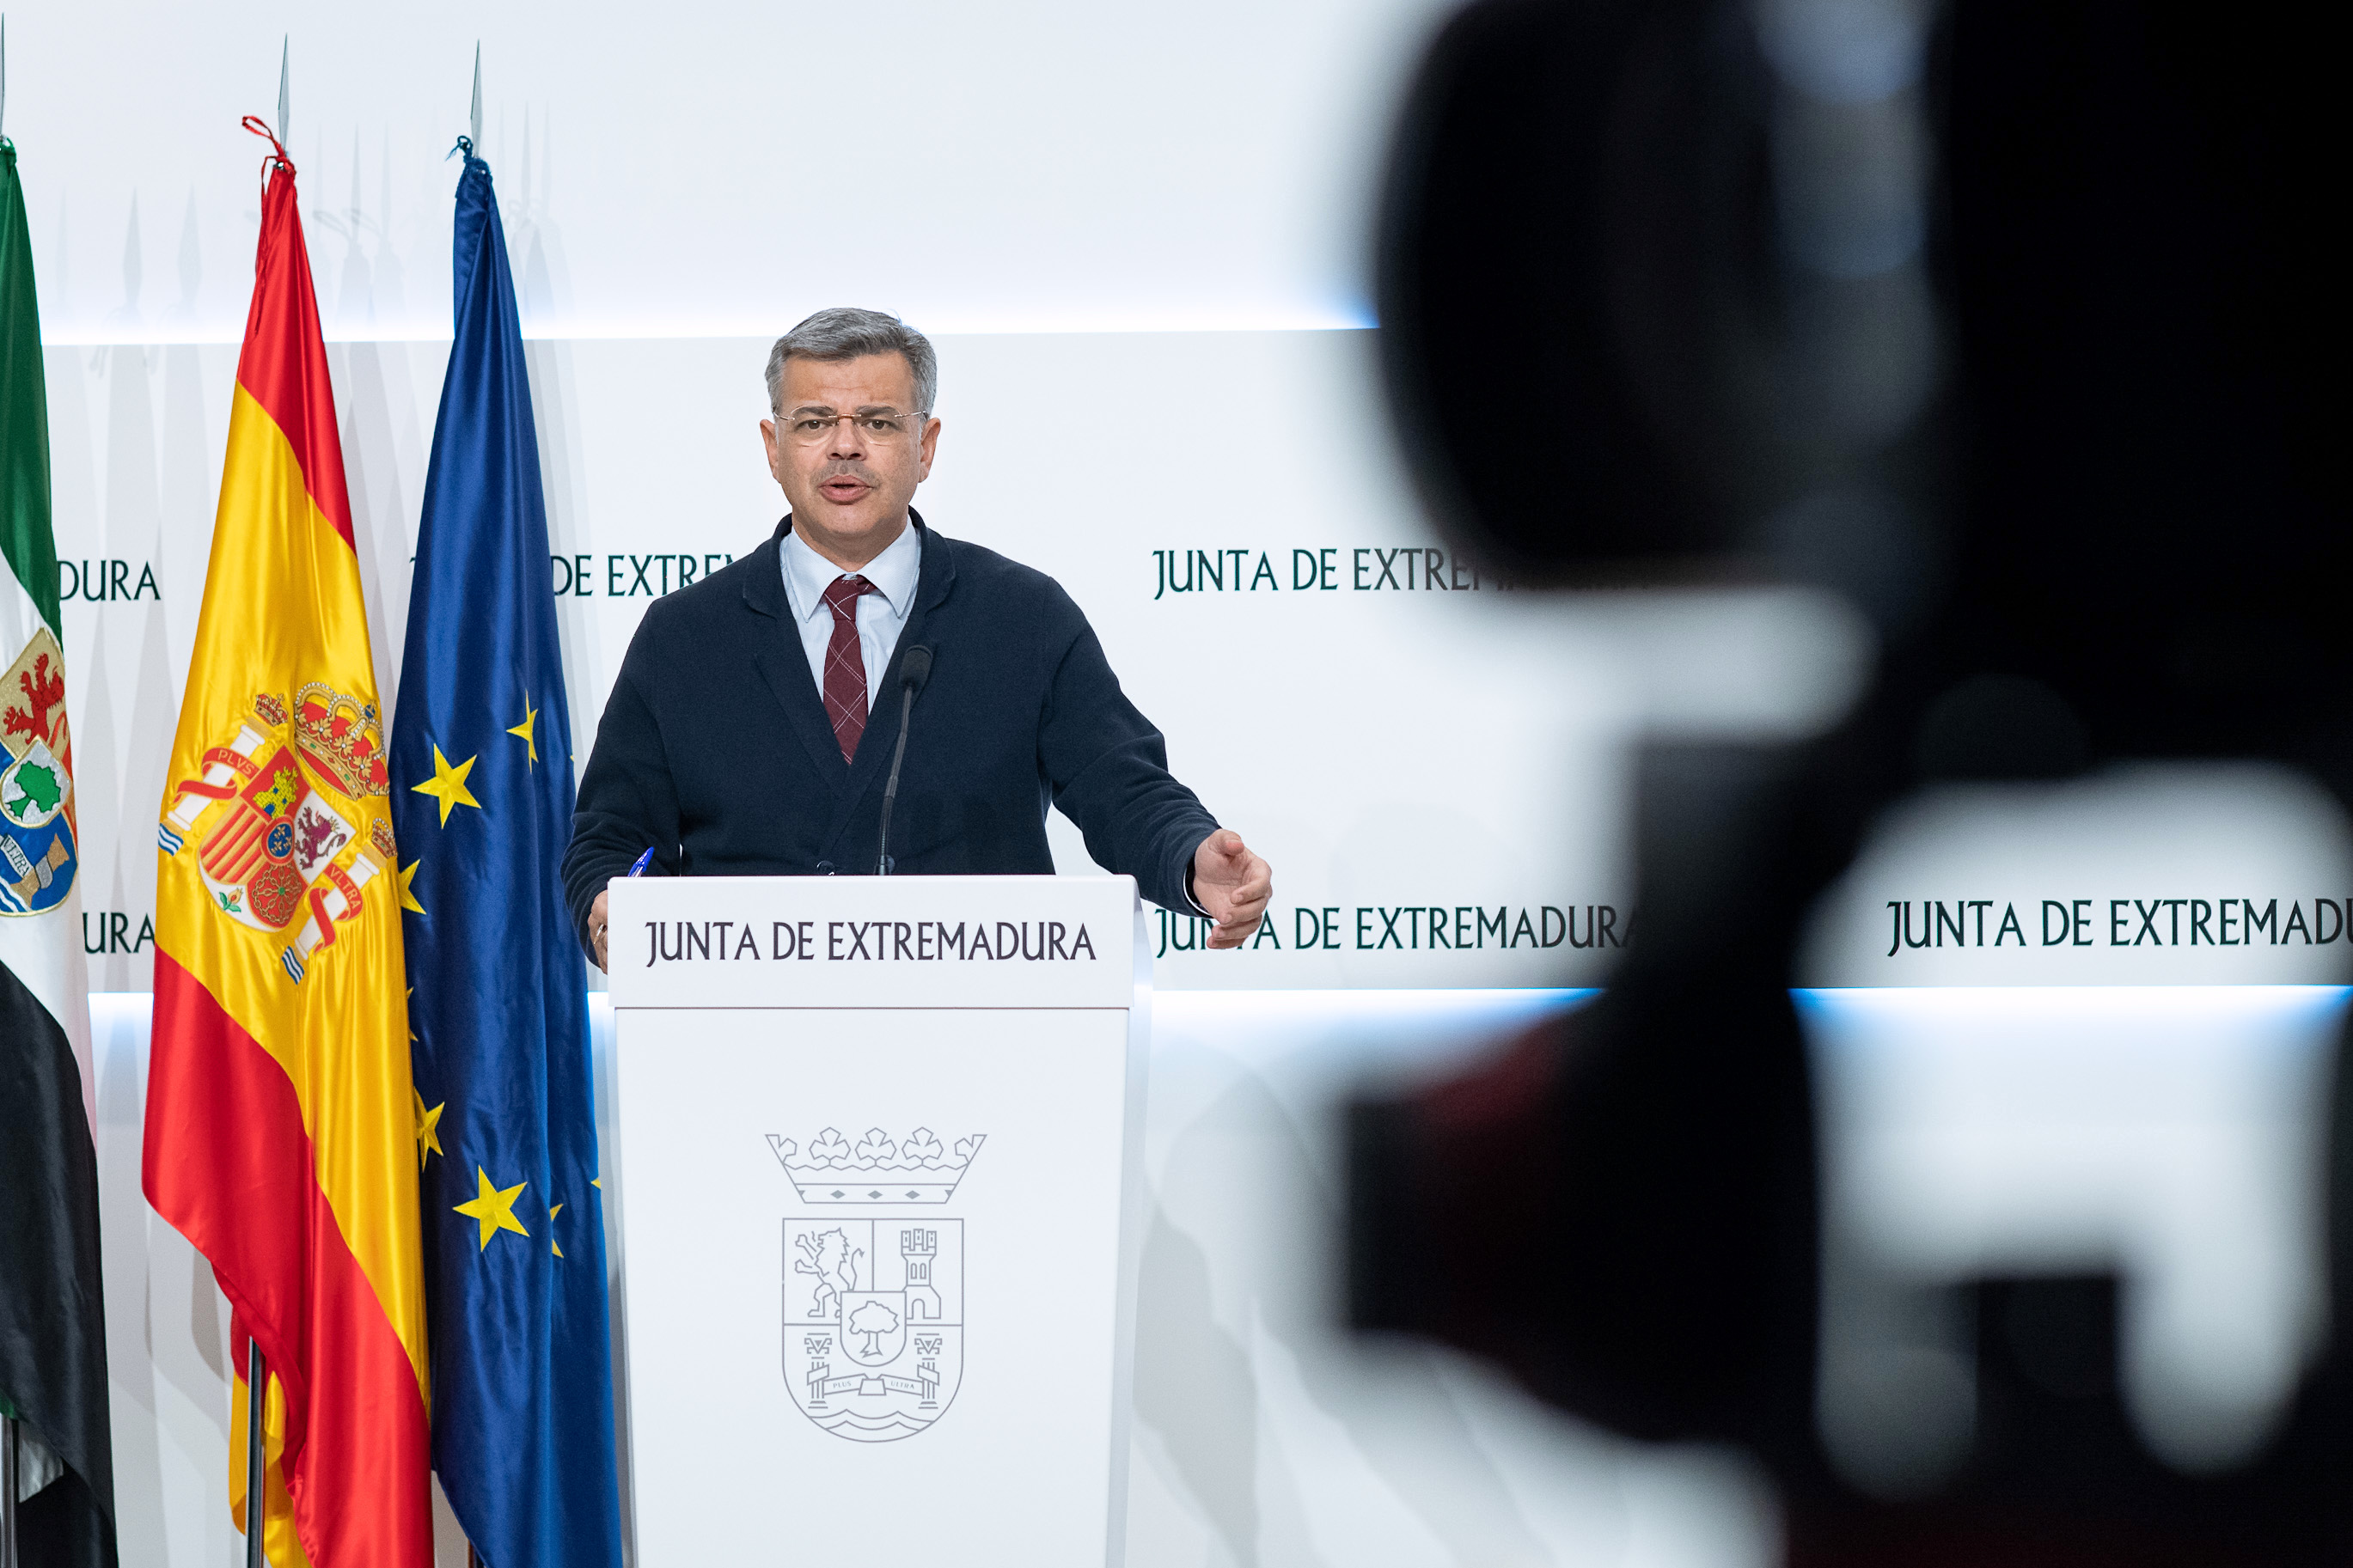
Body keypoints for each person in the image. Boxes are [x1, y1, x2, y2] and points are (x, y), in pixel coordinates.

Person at [563, 307, 1272, 969]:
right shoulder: (684, 636)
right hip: (745, 1047)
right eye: (814, 422)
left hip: (982, 1040)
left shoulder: (1022, 615)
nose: (844, 446)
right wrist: (608, 907)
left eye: (876, 421)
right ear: (772, 446)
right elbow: (613, 842)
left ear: (925, 446)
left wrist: (1189, 855)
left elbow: (1123, 788)